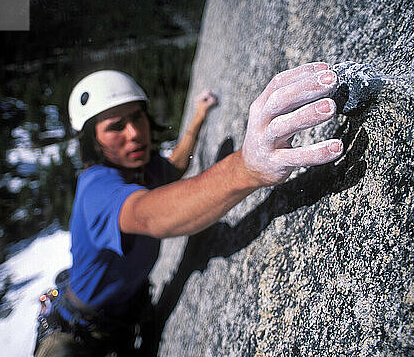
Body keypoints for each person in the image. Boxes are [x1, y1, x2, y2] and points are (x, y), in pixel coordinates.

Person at [34, 63, 343, 356]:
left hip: (125, 317)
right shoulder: (96, 190)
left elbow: (176, 165)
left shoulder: (144, 169)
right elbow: (146, 214)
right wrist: (246, 168)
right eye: (116, 126)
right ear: (92, 140)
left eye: (137, 117)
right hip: (78, 337)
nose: (134, 133)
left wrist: (198, 115)